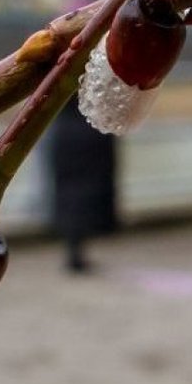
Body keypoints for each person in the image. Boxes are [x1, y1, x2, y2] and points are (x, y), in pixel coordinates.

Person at [49, 94, 119, 272]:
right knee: (83, 193)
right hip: (92, 132)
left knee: (69, 193)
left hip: (66, 135)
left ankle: (74, 248)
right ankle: (77, 249)